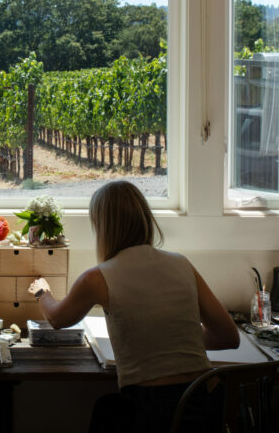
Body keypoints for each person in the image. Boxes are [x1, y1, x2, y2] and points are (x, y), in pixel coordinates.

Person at [28, 180, 239, 432]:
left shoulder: (98, 277)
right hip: (204, 401)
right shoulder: (182, 264)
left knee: (105, 412)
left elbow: (57, 319)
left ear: (103, 227)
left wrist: (41, 291)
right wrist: (177, 338)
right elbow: (229, 337)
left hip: (154, 409)